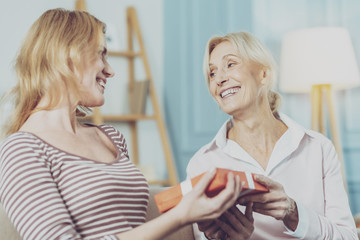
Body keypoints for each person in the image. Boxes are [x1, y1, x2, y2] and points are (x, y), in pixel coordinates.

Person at [0, 9, 245, 240]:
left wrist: (208, 223)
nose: (110, 70)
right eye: (101, 54)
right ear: (67, 57)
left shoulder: (110, 137)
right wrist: (182, 216)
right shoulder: (20, 150)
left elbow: (135, 226)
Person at [186, 31, 358, 239]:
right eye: (212, 73)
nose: (219, 79)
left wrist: (293, 213)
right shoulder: (202, 164)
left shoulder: (319, 148)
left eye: (230, 64)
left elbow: (347, 237)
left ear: (264, 74)